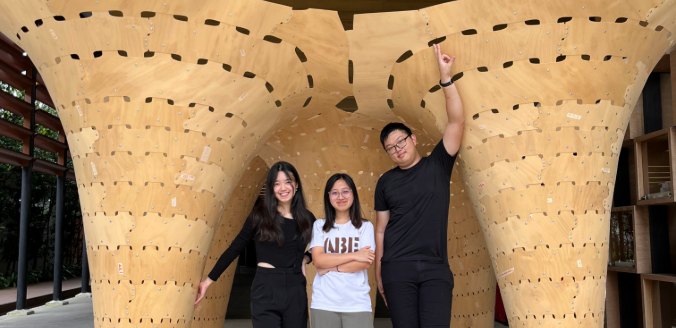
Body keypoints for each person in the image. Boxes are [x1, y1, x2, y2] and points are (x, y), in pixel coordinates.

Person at [374, 44, 465, 327]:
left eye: (401, 142)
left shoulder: (438, 164)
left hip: (435, 268)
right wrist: (379, 272)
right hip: (396, 268)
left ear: (412, 140)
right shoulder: (386, 182)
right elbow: (380, 229)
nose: (397, 149)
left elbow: (456, 121)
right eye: (391, 148)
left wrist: (446, 78)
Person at [194, 161, 315, 328]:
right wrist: (208, 281)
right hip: (266, 286)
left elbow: (319, 247)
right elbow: (235, 247)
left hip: (296, 287)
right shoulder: (259, 216)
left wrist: (305, 258)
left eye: (288, 182)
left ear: (296, 185)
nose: (283, 188)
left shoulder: (307, 218)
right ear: (271, 188)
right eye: (277, 183)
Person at [309, 173, 376, 328]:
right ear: (328, 197)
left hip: (357, 303)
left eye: (345, 191)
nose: (340, 196)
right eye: (334, 192)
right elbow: (318, 260)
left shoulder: (365, 227)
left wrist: (331, 266)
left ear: (353, 194)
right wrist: (355, 255)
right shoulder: (320, 225)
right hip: (324, 303)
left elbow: (364, 263)